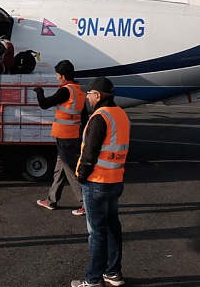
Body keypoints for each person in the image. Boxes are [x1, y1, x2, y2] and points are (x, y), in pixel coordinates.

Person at [72, 77, 130, 287]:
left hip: (97, 181)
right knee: (112, 226)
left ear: (97, 95)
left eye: (89, 94)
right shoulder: (121, 114)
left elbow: (90, 152)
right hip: (116, 179)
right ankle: (113, 272)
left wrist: (81, 176)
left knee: (96, 232)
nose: (87, 97)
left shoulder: (99, 117)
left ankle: (93, 279)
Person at [33, 59, 86, 215]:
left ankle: (85, 203)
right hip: (73, 135)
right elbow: (85, 117)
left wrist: (39, 92)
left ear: (62, 76)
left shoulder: (65, 91)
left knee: (69, 169)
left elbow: (45, 104)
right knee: (60, 169)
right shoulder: (79, 91)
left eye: (57, 75)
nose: (57, 77)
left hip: (65, 136)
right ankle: (51, 200)